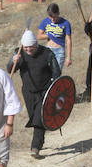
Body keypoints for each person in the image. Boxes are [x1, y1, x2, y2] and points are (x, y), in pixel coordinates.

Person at [7, 30, 60, 158]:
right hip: (28, 92)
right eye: (26, 47)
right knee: (34, 116)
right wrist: (13, 61)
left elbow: (56, 72)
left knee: (39, 118)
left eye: (31, 47)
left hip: (45, 91)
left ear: (36, 44)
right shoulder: (19, 53)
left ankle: (35, 146)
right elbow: (10, 70)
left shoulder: (47, 53)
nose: (29, 50)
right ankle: (40, 139)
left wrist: (54, 89)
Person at [36, 3, 72, 69]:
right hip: (48, 50)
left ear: (58, 13)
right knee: (46, 73)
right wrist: (50, 35)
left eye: (54, 17)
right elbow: (39, 36)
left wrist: (68, 57)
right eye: (50, 17)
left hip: (59, 51)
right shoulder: (45, 21)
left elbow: (68, 40)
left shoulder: (65, 23)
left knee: (56, 74)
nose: (52, 19)